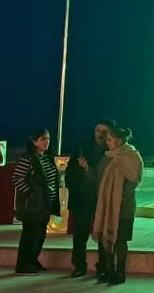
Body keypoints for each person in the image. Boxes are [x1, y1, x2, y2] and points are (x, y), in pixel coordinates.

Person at [92, 126, 143, 286]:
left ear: (119, 141)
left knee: (121, 240)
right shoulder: (107, 157)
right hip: (106, 206)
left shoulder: (131, 156)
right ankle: (108, 271)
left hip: (124, 207)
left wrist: (118, 196)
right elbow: (99, 178)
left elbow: (134, 180)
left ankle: (120, 273)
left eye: (110, 139)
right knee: (106, 240)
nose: (107, 142)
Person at [63, 118, 114, 278]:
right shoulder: (82, 147)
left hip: (103, 199)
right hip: (83, 197)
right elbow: (70, 172)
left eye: (104, 132)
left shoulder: (112, 149)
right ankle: (79, 265)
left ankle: (103, 267)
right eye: (98, 131)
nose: (100, 134)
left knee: (103, 235)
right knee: (80, 234)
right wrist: (75, 189)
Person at [12, 128, 61, 275]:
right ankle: (23, 265)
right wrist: (31, 193)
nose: (46, 142)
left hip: (45, 204)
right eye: (43, 139)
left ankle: (32, 260)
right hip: (32, 206)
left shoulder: (46, 158)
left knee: (40, 235)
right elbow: (17, 178)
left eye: (48, 139)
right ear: (34, 142)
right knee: (30, 235)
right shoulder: (27, 159)